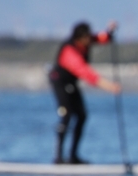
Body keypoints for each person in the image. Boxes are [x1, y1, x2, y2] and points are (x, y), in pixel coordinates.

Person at [48, 20, 122, 164]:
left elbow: (102, 38)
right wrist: (110, 86)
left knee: (82, 116)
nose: (89, 41)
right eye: (87, 38)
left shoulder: (86, 41)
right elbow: (86, 73)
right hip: (60, 82)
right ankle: (58, 158)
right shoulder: (69, 52)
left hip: (72, 83)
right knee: (67, 116)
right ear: (79, 38)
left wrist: (111, 31)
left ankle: (73, 156)